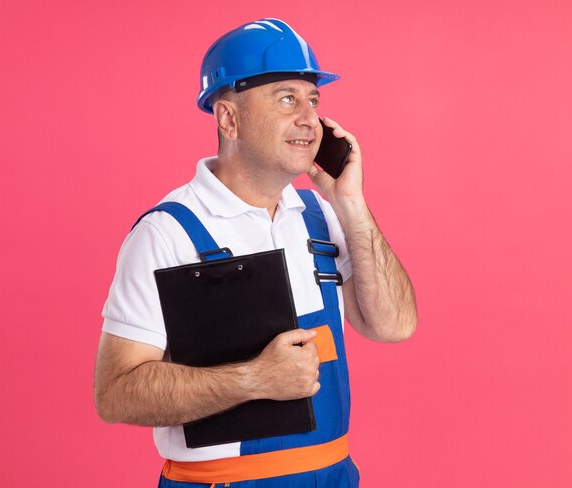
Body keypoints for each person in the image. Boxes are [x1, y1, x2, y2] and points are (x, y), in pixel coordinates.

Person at [95, 18, 417, 487]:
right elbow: (116, 393)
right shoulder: (169, 232)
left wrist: (350, 201)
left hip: (334, 477)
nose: (309, 118)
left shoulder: (318, 215)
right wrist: (253, 380)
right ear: (229, 118)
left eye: (313, 100)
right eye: (287, 98)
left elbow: (394, 325)